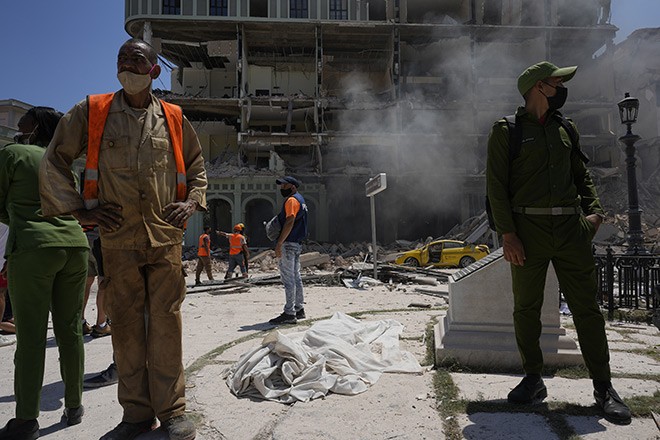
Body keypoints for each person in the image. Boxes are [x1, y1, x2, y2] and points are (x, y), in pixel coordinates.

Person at [39, 38, 207, 440]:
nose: (127, 64)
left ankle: (173, 413)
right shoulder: (93, 112)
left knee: (167, 327)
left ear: (154, 70)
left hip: (164, 239)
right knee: (127, 330)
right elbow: (54, 161)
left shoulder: (173, 117)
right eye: (122, 58)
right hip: (117, 240)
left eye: (137, 59)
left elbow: (197, 165)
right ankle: (135, 415)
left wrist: (191, 203)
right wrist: (81, 210)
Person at [486, 61, 631, 425]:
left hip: (571, 230)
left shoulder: (567, 128)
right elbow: (496, 188)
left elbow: (582, 175)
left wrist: (594, 214)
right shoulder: (507, 131)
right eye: (556, 82)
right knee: (526, 309)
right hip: (527, 231)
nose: (562, 87)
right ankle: (533, 379)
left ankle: (604, 388)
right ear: (538, 88)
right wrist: (508, 234)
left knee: (587, 309)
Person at [0, 107, 89, 439]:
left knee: (32, 336)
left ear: (35, 126)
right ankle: (75, 405)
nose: (18, 124)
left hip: (34, 249)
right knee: (70, 331)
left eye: (23, 120)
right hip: (75, 246)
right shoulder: (64, 166)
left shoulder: (14, 153)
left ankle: (26, 419)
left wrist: (23, 223)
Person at [269, 176, 308, 325]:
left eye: (284, 185)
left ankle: (289, 313)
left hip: (289, 243)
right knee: (296, 277)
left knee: (288, 279)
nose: (281, 188)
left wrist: (279, 243)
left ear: (292, 186)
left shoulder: (292, 200)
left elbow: (290, 220)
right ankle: (299, 309)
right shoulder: (301, 200)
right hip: (297, 244)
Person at [81, 226, 110, 337]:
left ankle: (81, 322)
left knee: (86, 281)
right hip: (100, 237)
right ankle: (101, 324)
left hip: (83, 236)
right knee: (104, 282)